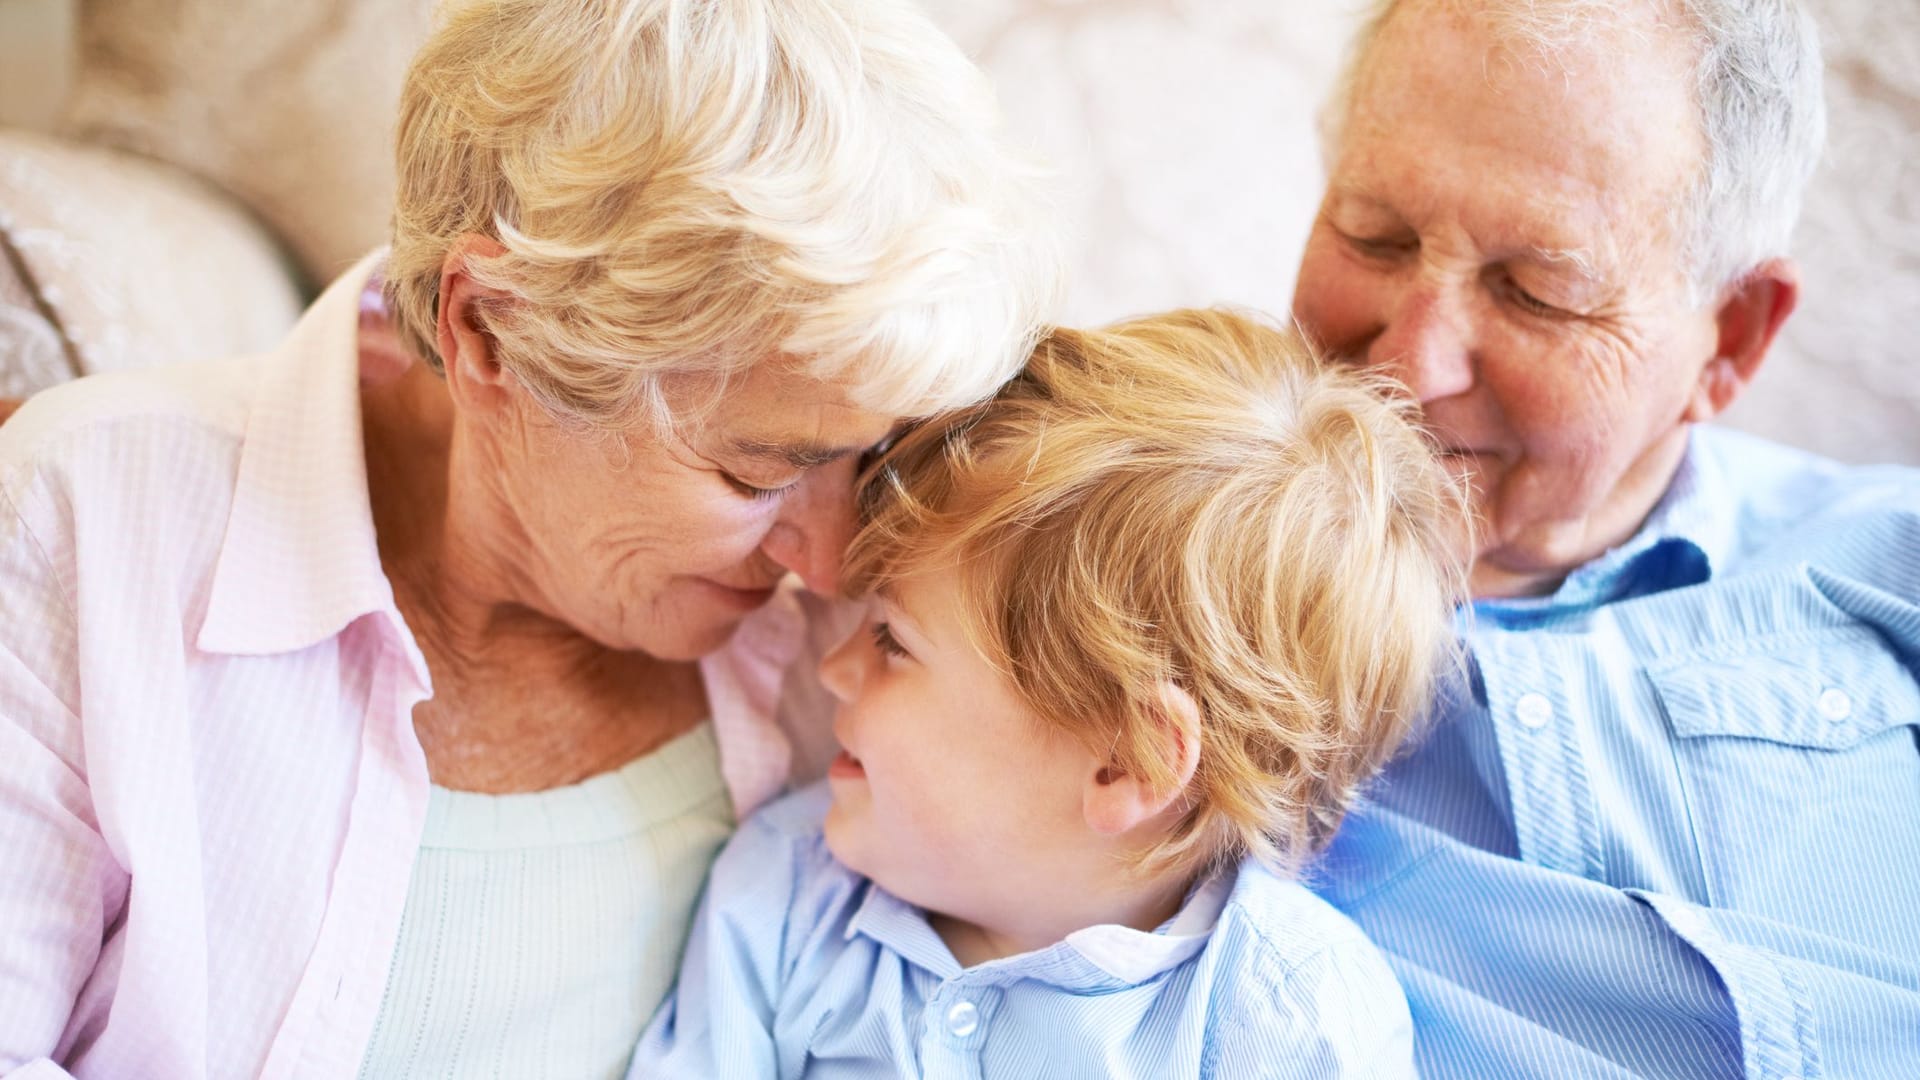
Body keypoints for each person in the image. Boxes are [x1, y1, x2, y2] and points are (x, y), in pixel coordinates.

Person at [0, 0, 1058, 1075]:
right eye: (754, 473)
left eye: (870, 462)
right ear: (489, 333)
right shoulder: (91, 517)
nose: (831, 568)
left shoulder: (887, 638)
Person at [1290, 1, 1920, 1076]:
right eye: (1373, 235)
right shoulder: (1151, 564)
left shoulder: (1881, 557)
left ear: (1732, 336)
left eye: (1539, 291)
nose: (1409, 364)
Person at [629, 309, 1466, 1078]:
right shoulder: (782, 892)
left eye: (892, 642)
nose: (834, 668)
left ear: (1123, 761)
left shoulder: (1289, 1019)